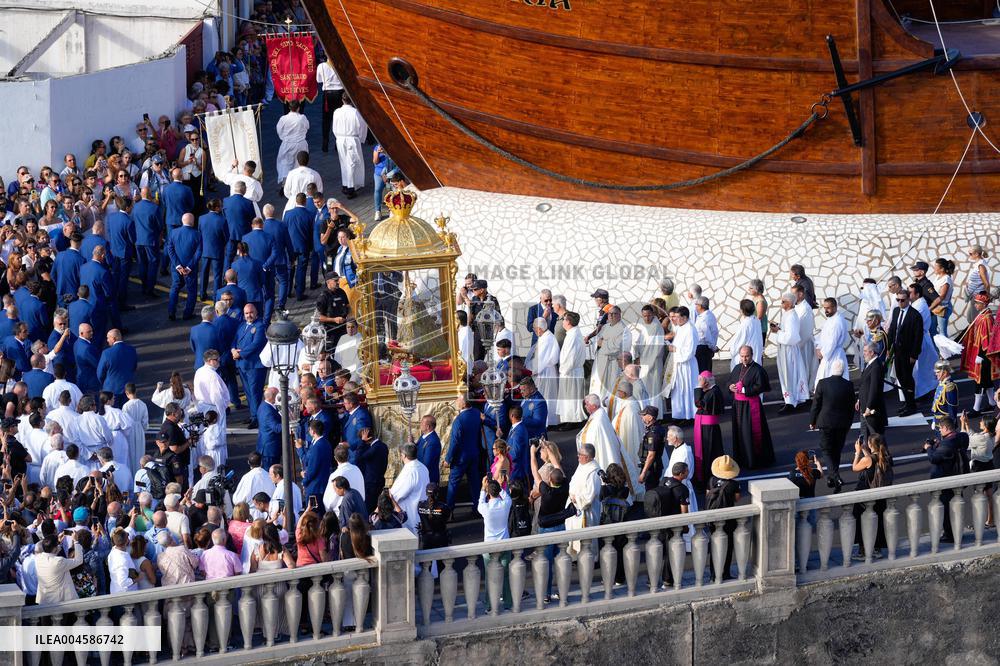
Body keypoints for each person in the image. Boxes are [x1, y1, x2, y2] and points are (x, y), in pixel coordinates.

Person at [810, 359, 855, 492]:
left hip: (826, 422)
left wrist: (812, 421)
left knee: (826, 450)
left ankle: (835, 476)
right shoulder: (848, 385)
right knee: (836, 451)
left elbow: (816, 404)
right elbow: (851, 407)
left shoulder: (823, 383)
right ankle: (832, 477)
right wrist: (849, 423)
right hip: (842, 424)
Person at [727, 345, 775, 470]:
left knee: (750, 433)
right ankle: (741, 458)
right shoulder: (737, 367)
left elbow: (760, 387)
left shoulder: (758, 370)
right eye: (742, 356)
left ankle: (753, 460)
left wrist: (743, 389)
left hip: (750, 406)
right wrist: (730, 387)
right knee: (739, 432)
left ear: (752, 355)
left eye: (747, 356)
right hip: (737, 406)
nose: (744, 359)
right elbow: (730, 381)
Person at [923, 416, 969, 542]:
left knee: (947, 509)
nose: (940, 431)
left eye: (941, 428)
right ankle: (957, 531)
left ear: (946, 428)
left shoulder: (947, 443)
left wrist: (929, 448)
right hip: (958, 476)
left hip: (946, 479)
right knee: (957, 508)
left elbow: (934, 458)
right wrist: (938, 444)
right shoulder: (962, 437)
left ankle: (950, 535)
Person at [850, 434, 893, 560]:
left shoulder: (868, 460)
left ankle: (863, 551)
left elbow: (855, 467)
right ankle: (877, 549)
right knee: (878, 522)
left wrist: (857, 452)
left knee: (860, 521)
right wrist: (864, 449)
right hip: (881, 495)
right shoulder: (886, 457)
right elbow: (873, 459)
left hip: (866, 496)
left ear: (870, 444)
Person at [962, 292, 999, 416]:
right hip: (980, 354)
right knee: (987, 381)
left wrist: (981, 355)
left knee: (980, 382)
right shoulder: (982, 315)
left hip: (983, 356)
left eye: (977, 303)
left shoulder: (986, 318)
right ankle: (992, 404)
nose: (975, 305)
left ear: (983, 304)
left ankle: (976, 408)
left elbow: (987, 340)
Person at [888, 288, 923, 416]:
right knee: (900, 377)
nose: (900, 302)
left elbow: (918, 337)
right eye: (898, 300)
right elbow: (893, 329)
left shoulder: (915, 315)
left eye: (902, 300)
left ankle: (911, 405)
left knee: (907, 378)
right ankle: (908, 402)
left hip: (908, 353)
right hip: (897, 350)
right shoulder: (897, 311)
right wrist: (888, 348)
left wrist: (914, 355)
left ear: (908, 299)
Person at [705, 455, 741, 580]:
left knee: (714, 545)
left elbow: (707, 495)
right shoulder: (734, 484)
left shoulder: (711, 481)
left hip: (712, 517)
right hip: (727, 518)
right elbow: (736, 499)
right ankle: (724, 573)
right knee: (727, 546)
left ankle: (713, 574)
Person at [771, 293, 808, 413]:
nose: (781, 303)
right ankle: (790, 399)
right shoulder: (787, 314)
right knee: (787, 375)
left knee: (789, 375)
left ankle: (791, 402)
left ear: (790, 303)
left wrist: (778, 331)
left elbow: (792, 337)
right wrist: (779, 328)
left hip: (789, 350)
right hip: (784, 349)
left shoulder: (792, 316)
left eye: (783, 301)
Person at [445, 395, 482, 509]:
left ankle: (449, 510)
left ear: (464, 404)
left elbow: (455, 441)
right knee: (474, 483)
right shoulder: (476, 413)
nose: (456, 402)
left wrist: (448, 459)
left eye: (458, 400)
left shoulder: (459, 420)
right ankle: (477, 508)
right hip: (474, 454)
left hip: (460, 458)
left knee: (453, 484)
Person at [165, 213, 202, 321]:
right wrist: (189, 267)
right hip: (190, 269)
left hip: (176, 268)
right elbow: (198, 252)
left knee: (175, 287)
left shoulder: (173, 232)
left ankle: (171, 312)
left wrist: (178, 265)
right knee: (191, 291)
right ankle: (187, 314)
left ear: (182, 221)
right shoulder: (197, 234)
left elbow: (170, 249)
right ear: (193, 221)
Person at [589, 305, 630, 399]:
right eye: (610, 314)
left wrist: (603, 343)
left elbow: (616, 347)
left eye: (615, 314)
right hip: (600, 361)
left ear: (620, 315)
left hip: (612, 364)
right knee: (597, 388)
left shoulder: (623, 329)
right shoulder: (605, 327)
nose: (611, 316)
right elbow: (597, 342)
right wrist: (602, 343)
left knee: (609, 390)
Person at [389, 442, 429, 535]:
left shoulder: (409, 472)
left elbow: (395, 495)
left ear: (404, 456)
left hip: (409, 515)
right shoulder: (423, 467)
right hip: (422, 512)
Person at [693, 371, 725, 487]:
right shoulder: (711, 390)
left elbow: (699, 404)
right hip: (704, 426)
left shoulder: (713, 392)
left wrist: (698, 388)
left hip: (708, 428)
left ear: (706, 382)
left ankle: (709, 477)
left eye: (701, 380)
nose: (699, 382)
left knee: (709, 451)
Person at [332, 97, 368, 198]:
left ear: (342, 100)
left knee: (344, 162)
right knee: (352, 163)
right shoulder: (355, 112)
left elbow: (334, 127)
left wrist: (338, 137)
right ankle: (350, 188)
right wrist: (361, 139)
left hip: (340, 139)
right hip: (352, 139)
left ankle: (346, 184)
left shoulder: (337, 112)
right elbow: (362, 126)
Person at [527, 318, 560, 427]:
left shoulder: (547, 339)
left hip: (545, 371)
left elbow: (540, 359)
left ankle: (547, 421)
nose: (535, 331)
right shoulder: (545, 337)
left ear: (539, 329)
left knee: (545, 396)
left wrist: (531, 370)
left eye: (535, 329)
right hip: (544, 371)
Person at [555, 311, 587, 423]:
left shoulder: (573, 336)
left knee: (571, 397)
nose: (562, 322)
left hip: (570, 371)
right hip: (571, 370)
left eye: (564, 320)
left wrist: (563, 370)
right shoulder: (573, 333)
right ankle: (568, 419)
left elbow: (570, 357)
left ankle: (572, 420)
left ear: (568, 322)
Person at [668, 306, 698, 421]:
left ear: (685, 317)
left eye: (677, 317)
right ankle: (679, 414)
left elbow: (689, 351)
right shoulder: (681, 327)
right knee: (678, 390)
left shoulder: (690, 329)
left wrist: (675, 350)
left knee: (686, 390)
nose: (675, 320)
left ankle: (688, 416)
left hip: (686, 365)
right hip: (678, 364)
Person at [815, 298, 850, 385]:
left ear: (835, 307)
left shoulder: (837, 322)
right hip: (829, 353)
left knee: (831, 380)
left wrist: (822, 353)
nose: (826, 310)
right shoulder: (831, 319)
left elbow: (832, 341)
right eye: (824, 308)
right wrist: (818, 347)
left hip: (833, 354)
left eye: (828, 308)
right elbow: (823, 336)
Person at [857, 343, 888, 442]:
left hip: (871, 409)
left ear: (872, 352)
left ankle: (883, 457)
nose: (864, 354)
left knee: (876, 437)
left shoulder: (876, 366)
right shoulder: (870, 364)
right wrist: (859, 400)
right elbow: (864, 384)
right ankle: (869, 456)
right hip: (864, 406)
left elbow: (874, 388)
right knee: (865, 435)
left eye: (865, 351)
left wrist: (869, 406)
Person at [275, 101, 310, 188]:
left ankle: (285, 185)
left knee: (285, 165)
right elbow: (307, 127)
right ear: (298, 108)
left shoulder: (284, 118)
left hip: (288, 144)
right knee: (299, 164)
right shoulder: (302, 118)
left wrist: (284, 138)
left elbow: (279, 130)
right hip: (300, 144)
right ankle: (297, 184)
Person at [317, 57, 345, 151]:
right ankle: (338, 144)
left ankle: (325, 143)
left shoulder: (321, 66)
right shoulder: (339, 64)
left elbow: (319, 80)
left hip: (327, 94)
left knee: (326, 120)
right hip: (339, 93)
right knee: (340, 119)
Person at [729, 299, 763, 370]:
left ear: (742, 310)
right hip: (755, 354)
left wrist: (732, 351)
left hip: (746, 357)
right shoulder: (757, 320)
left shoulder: (745, 324)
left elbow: (739, 341)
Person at [928, 257, 956, 337]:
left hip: (942, 308)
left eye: (936, 267)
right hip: (935, 307)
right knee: (932, 329)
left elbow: (942, 296)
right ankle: (937, 349)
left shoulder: (946, 279)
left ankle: (945, 349)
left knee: (942, 332)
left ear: (942, 269)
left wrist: (930, 308)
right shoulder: (938, 277)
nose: (934, 268)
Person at [693, 297, 719, 373]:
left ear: (700, 306)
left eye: (696, 305)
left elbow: (707, 336)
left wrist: (713, 347)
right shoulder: (710, 315)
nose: (695, 307)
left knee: (702, 373)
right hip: (707, 348)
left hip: (703, 349)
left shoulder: (703, 318)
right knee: (707, 371)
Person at [931, 360, 959, 429]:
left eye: (938, 372)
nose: (936, 374)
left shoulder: (950, 387)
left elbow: (952, 407)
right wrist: (934, 420)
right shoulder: (942, 384)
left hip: (946, 423)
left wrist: (952, 423)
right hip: (938, 421)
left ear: (944, 373)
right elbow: (936, 404)